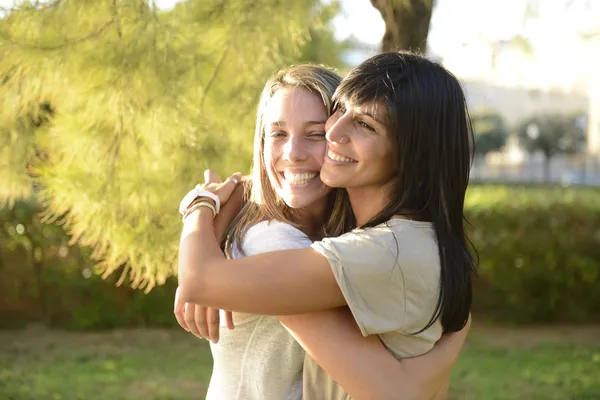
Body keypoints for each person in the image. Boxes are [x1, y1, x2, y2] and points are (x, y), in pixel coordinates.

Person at [177, 52, 475, 399]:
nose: (334, 133)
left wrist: (202, 208)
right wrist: (214, 208)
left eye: (316, 132)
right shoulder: (278, 241)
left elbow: (398, 390)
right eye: (277, 133)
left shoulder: (370, 250)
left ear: (410, 152)